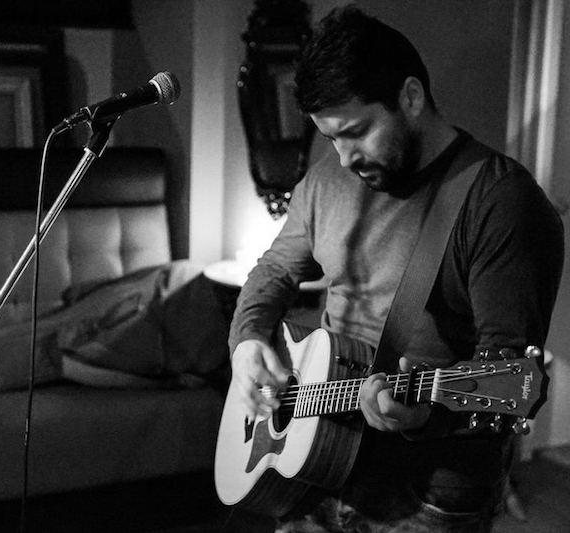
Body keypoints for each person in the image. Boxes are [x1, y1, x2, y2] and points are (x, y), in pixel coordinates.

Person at [228, 5, 564, 533]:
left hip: (428, 489)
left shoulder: (500, 202)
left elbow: (507, 374)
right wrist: (248, 340)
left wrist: (425, 414)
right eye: (331, 138)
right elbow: (274, 269)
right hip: (313, 459)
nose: (343, 158)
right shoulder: (324, 184)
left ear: (410, 97)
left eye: (357, 132)